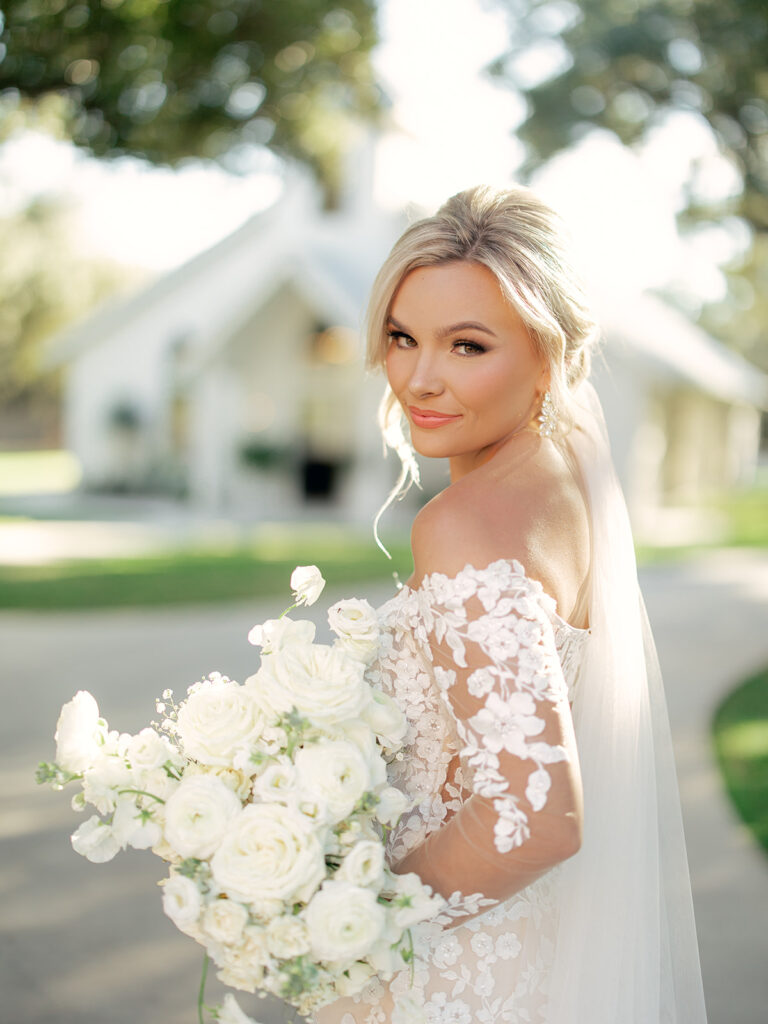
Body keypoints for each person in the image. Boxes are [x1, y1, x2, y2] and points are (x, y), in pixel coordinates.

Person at [315, 185, 707, 1023]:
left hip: (449, 967)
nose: (421, 378)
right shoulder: (568, 487)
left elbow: (536, 819)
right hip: (538, 953)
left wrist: (354, 920)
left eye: (467, 345)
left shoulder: (463, 520)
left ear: (549, 353)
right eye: (402, 337)